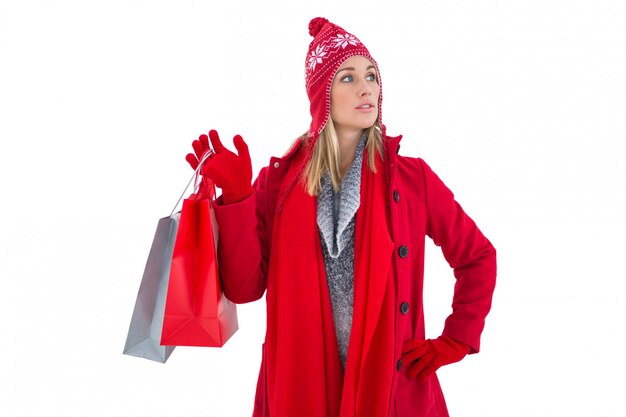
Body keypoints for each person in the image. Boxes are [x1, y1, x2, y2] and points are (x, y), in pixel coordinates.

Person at [186, 17, 496, 417]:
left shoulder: (411, 178)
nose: (366, 86)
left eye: (371, 75)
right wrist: (238, 196)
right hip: (302, 386)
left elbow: (478, 256)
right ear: (322, 96)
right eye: (347, 78)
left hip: (389, 391)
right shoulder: (278, 185)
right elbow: (246, 289)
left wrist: (456, 338)